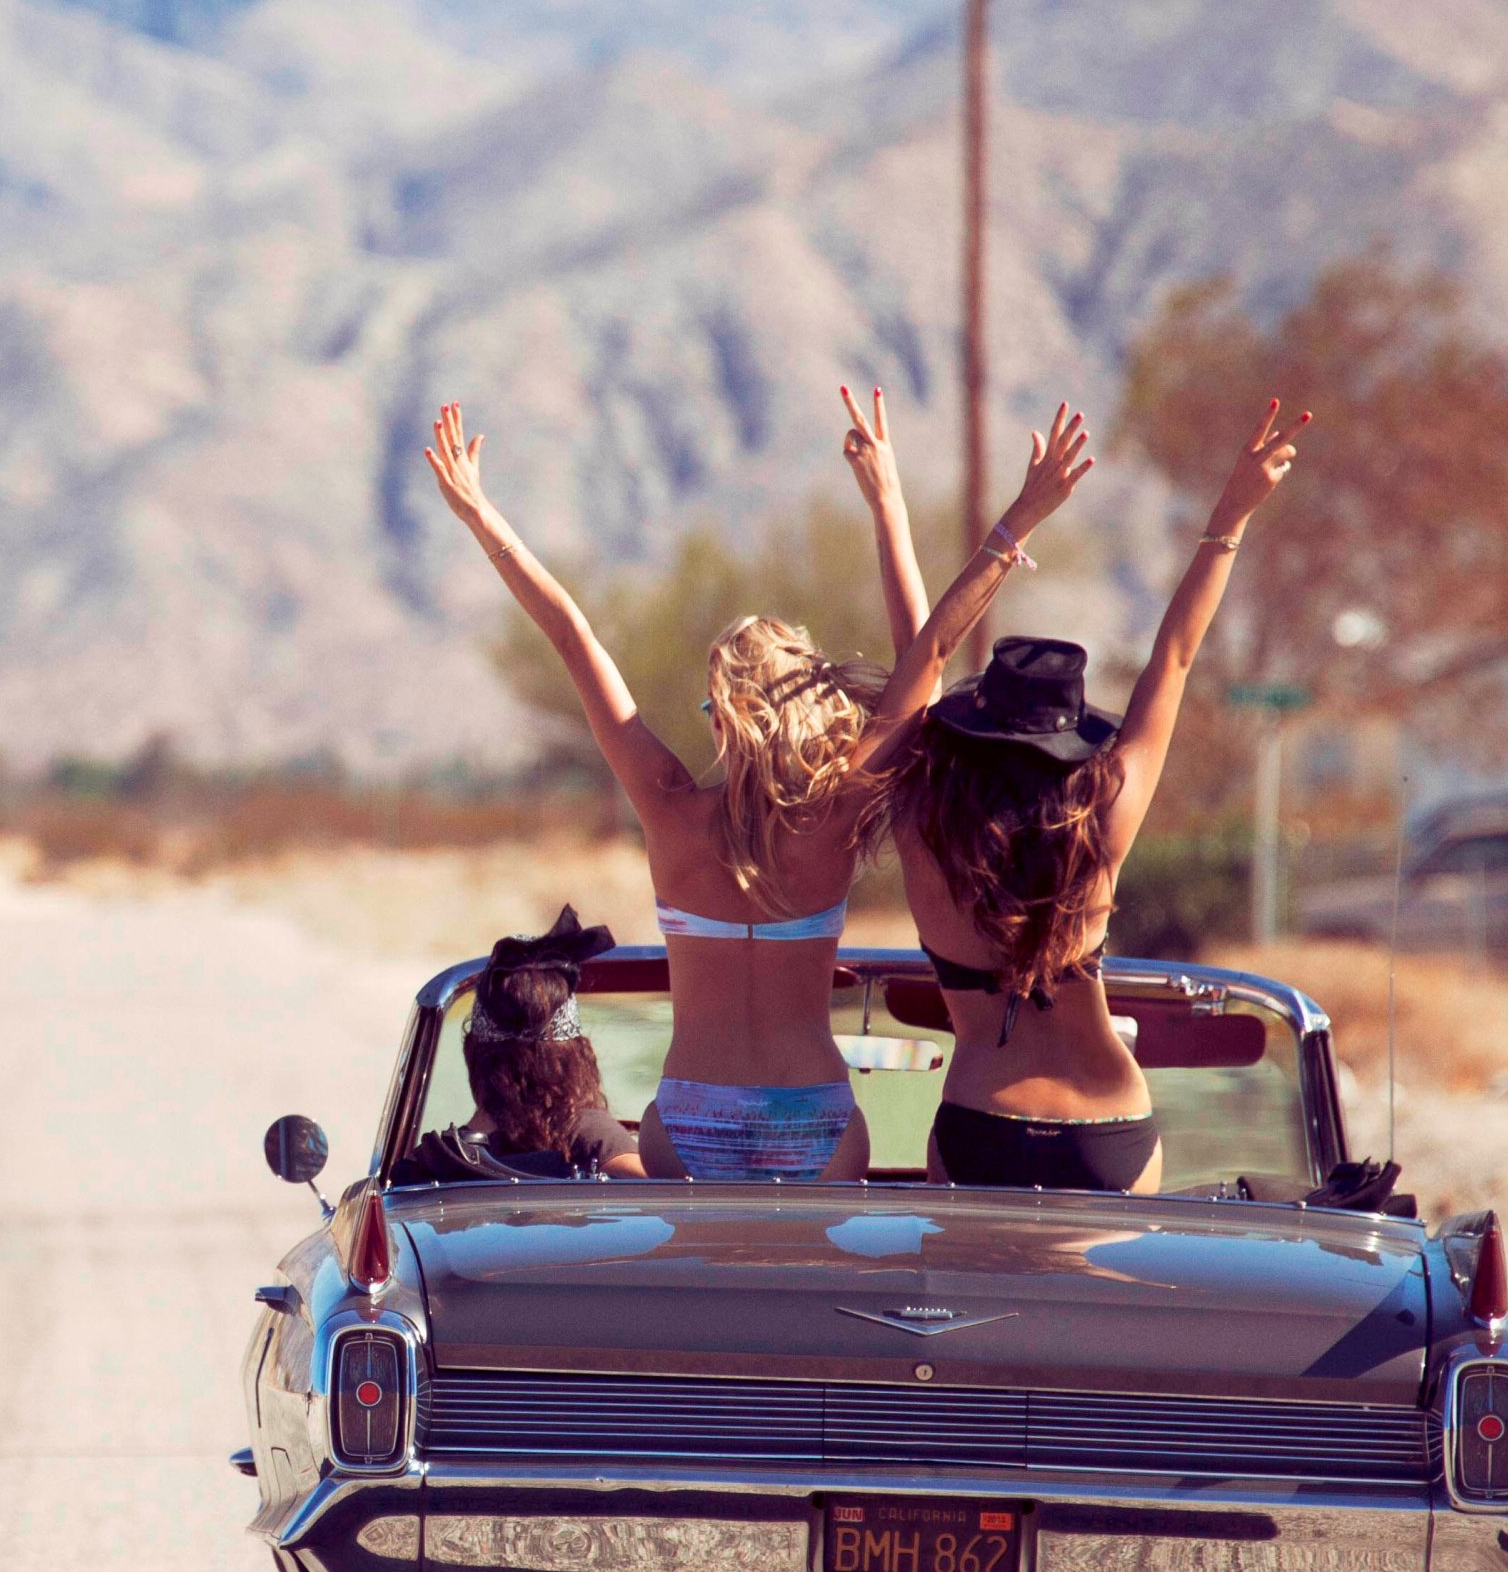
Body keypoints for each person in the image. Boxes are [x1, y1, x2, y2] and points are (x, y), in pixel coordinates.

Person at [422, 389, 1093, 1182]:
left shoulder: (668, 807)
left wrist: (481, 517)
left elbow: (573, 635)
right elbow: (931, 653)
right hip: (817, 1124)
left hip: (688, 1123)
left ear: (724, 721)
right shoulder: (838, 812)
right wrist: (983, 517)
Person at [891, 398, 1310, 1193]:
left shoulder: (924, 827)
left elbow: (925, 656)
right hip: (1110, 1127)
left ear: (970, 729)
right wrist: (1232, 515)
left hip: (983, 1116)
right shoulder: (1103, 818)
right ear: (1069, 741)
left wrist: (1004, 519)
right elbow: (1174, 657)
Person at [396, 907, 645, 1180]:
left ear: (473, 1055)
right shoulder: (594, 1141)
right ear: (578, 1056)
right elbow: (654, 1191)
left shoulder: (428, 1167)